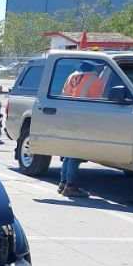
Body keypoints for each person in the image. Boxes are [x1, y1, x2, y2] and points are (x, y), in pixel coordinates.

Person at [56, 61, 107, 198]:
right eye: (101, 65)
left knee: (68, 152)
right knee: (75, 153)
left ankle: (63, 183)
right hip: (83, 119)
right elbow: (98, 103)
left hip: (68, 117)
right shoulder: (96, 80)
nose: (102, 67)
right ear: (95, 66)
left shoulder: (72, 76)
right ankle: (70, 186)